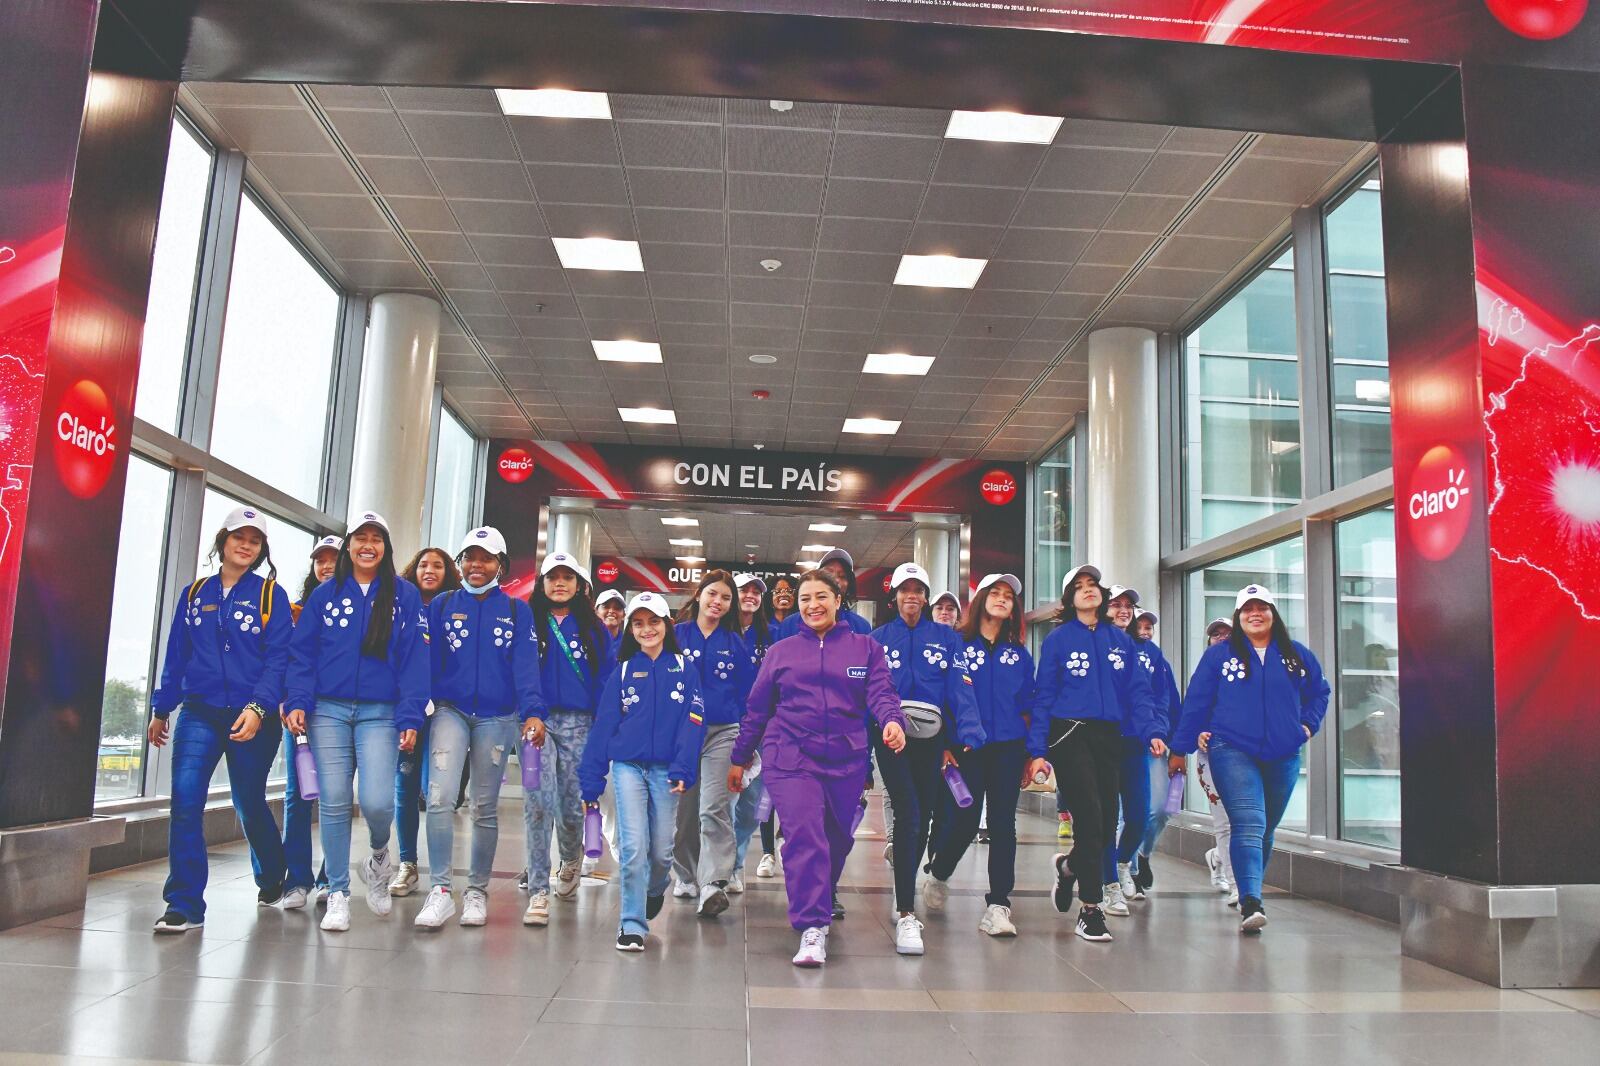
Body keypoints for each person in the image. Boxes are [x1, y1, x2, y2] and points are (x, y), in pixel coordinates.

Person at [729, 569, 907, 967]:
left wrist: (892, 720)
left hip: (846, 757)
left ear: (838, 599)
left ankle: (820, 899)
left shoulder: (865, 648)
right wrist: (740, 758)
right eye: (805, 598)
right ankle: (812, 926)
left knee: (837, 839)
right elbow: (757, 710)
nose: (813, 605)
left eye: (821, 596)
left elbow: (881, 692)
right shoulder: (782, 651)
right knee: (805, 834)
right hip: (789, 754)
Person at [147, 507, 293, 932]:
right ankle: (184, 904)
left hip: (254, 715)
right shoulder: (194, 594)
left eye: (255, 540)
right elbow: (177, 655)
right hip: (201, 710)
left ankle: (272, 875)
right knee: (186, 800)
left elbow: (279, 660)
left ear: (262, 549)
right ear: (222, 541)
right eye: (238, 537)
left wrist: (259, 708)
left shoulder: (271, 595)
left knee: (248, 799)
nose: (245, 545)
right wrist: (162, 707)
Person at [284, 511, 430, 932]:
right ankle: (339, 893)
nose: (368, 545)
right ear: (349, 545)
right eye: (360, 538)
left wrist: (410, 715)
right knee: (331, 800)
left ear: (385, 547)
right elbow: (303, 654)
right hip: (326, 710)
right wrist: (297, 700)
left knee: (378, 801)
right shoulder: (324, 595)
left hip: (381, 713)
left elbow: (415, 662)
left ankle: (380, 857)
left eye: (376, 538)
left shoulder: (404, 596)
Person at [1172, 585, 1329, 933]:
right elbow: (1197, 699)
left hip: (1283, 753)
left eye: (1262, 608)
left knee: (1266, 828)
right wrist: (1179, 749)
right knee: (1249, 823)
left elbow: (1320, 691)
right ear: (1238, 617)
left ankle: (1249, 887)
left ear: (1273, 614)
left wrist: (1307, 725)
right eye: (1247, 609)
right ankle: (1250, 901)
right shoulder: (1220, 656)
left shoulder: (1295, 655)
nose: (1254, 614)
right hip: (1231, 749)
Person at [412, 527, 546, 930]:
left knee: (484, 806)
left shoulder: (517, 611)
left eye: (486, 558)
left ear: (500, 565)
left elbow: (526, 665)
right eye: (469, 557)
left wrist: (532, 711)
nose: (476, 565)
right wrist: (420, 704)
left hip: (498, 717)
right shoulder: (441, 604)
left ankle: (476, 891)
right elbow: (423, 658)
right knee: (439, 797)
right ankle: (439, 891)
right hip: (449, 710)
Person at [1026, 565, 1163, 944]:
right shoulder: (1058, 640)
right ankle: (1090, 910)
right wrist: (1037, 751)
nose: (1088, 591)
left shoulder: (1120, 640)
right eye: (1079, 587)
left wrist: (1152, 730)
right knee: (1089, 818)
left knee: (1104, 826)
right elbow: (1044, 697)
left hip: (1109, 737)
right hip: (1068, 734)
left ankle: (1069, 867)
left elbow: (1138, 691)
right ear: (1069, 599)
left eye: (1093, 586)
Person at [579, 592, 706, 951]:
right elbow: (604, 726)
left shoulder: (684, 669)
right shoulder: (621, 672)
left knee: (662, 851)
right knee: (633, 846)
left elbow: (693, 723)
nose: (646, 629)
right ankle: (632, 924)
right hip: (627, 768)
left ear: (666, 625)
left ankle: (654, 889)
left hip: (667, 771)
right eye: (638, 623)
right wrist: (591, 779)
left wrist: (684, 766)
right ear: (631, 629)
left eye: (653, 621)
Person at [874, 561, 985, 956]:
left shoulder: (947, 638)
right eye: (905, 590)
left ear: (925, 597)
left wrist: (969, 731)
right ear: (895, 596)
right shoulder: (878, 637)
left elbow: (960, 686)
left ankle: (903, 883)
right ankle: (906, 906)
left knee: (920, 817)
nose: (911, 597)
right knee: (907, 810)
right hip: (890, 734)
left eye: (918, 590)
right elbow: (867, 691)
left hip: (932, 736)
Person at [922, 573, 1034, 937]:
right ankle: (940, 872)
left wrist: (1032, 754)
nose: (1002, 599)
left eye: (1009, 596)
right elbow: (940, 698)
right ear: (982, 598)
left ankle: (998, 905)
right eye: (996, 593)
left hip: (1008, 749)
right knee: (964, 822)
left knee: (1003, 825)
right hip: (965, 750)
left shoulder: (1018, 654)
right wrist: (943, 747)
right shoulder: (955, 644)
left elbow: (1028, 706)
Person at [522, 551, 615, 926]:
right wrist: (529, 711)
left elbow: (606, 679)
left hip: (580, 723)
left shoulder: (594, 629)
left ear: (580, 585)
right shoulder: (528, 622)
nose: (559, 584)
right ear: (542, 584)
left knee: (572, 804)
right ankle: (538, 888)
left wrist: (602, 727)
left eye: (567, 578)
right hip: (535, 723)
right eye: (552, 577)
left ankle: (572, 858)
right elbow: (521, 669)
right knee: (537, 801)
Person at [670, 570, 755, 918]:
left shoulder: (735, 643)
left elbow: (749, 696)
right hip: (682, 734)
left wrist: (748, 745)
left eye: (725, 597)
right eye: (713, 594)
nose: (717, 602)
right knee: (685, 811)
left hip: (724, 732)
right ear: (700, 595)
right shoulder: (676, 635)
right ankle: (686, 875)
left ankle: (713, 882)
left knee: (713, 807)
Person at [389, 547, 462, 898]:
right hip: (406, 709)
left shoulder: (454, 608)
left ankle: (441, 876)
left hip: (444, 711)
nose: (429, 570)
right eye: (422, 564)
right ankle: (407, 863)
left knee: (435, 791)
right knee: (403, 786)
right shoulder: (399, 605)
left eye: (437, 565)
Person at [280, 534, 340, 910]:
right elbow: (286, 658)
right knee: (296, 794)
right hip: (298, 711)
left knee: (334, 794)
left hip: (336, 712)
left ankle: (328, 878)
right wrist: (286, 700)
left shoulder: (358, 608)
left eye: (334, 559)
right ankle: (296, 879)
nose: (326, 566)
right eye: (320, 559)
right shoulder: (294, 609)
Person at [1098, 584, 1151, 918]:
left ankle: (1119, 862)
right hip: (1100, 743)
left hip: (1134, 744)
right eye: (1115, 604)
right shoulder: (1092, 643)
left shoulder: (1145, 650)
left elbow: (1158, 696)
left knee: (1139, 816)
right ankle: (1108, 886)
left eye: (1128, 606)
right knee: (1103, 819)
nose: (1122, 610)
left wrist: (1158, 731)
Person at [1129, 606, 1183, 899]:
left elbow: (1170, 701)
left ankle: (1142, 854)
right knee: (1127, 813)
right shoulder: (1118, 652)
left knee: (1160, 809)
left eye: (1151, 626)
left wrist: (1176, 744)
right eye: (1143, 625)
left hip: (1155, 744)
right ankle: (1129, 868)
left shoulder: (1157, 659)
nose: (1146, 631)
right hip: (1124, 743)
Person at [730, 574, 774, 887]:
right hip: (721, 726)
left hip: (760, 729)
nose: (750, 595)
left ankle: (735, 864)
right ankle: (707, 870)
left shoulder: (769, 636)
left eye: (756, 591)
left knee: (749, 807)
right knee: (717, 805)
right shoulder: (720, 631)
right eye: (744, 590)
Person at [1199, 617, 1237, 900]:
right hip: (1210, 756)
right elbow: (1192, 709)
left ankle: (1218, 858)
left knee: (1246, 822)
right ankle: (1240, 888)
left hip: (1246, 757)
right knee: (1224, 822)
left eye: (1227, 634)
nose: (1221, 638)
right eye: (1216, 634)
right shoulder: (1205, 671)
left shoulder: (1251, 670)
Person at [772, 549, 871, 640]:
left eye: (842, 576)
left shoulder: (860, 626)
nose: (836, 579)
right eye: (828, 573)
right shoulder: (789, 625)